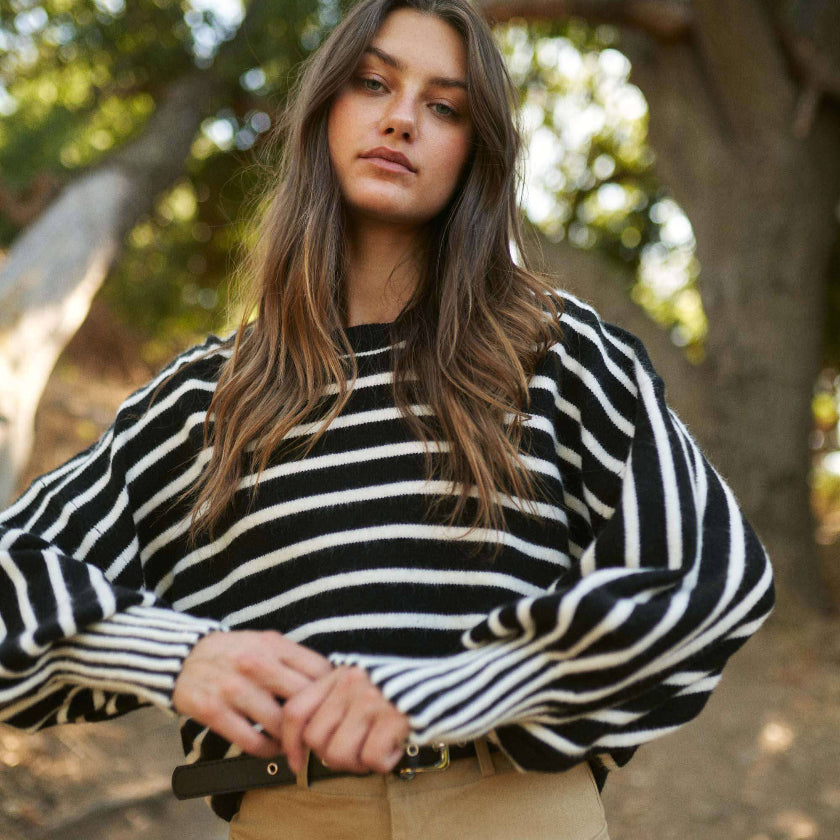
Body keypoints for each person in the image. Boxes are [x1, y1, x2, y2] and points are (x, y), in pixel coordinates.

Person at [0, 0, 775, 837]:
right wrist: (176, 656)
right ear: (325, 109)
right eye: (373, 83)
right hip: (284, 813)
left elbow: (709, 578)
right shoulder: (205, 400)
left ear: (475, 154)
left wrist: (446, 690)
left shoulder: (560, 354)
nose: (401, 119)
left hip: (511, 807)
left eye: (444, 106)